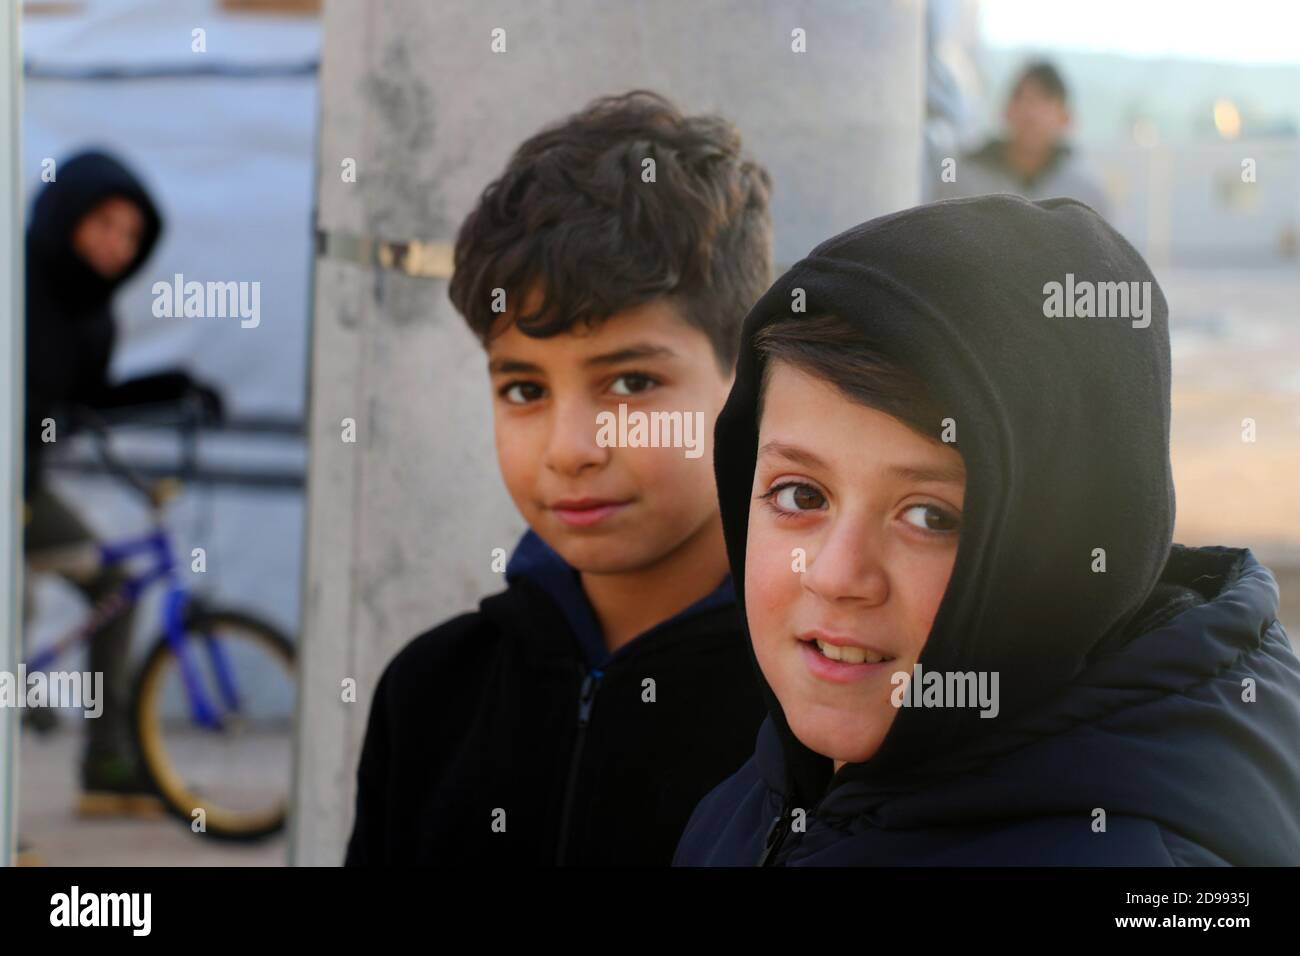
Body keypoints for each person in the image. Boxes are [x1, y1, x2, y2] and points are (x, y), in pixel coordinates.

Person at [674, 194, 1300, 865]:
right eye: (801, 494)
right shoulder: (763, 793)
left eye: (929, 517)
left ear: (1065, 536)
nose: (833, 574)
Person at [344, 91, 771, 865]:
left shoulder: (814, 713)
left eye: (632, 383)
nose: (570, 449)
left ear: (746, 384)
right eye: (524, 390)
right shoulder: (431, 694)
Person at [24, 149, 223, 817]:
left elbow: (82, 402)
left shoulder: (93, 314)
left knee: (115, 585)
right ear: (67, 215)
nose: (116, 243)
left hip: (23, 492)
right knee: (10, 612)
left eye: (131, 234)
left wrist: (174, 389)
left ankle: (107, 763)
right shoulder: (15, 280)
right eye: (104, 222)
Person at [934, 60, 1110, 218]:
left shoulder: (1087, 194)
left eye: (1044, 100)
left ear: (1065, 118)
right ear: (1005, 111)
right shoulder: (961, 175)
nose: (1030, 111)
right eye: (1021, 98)